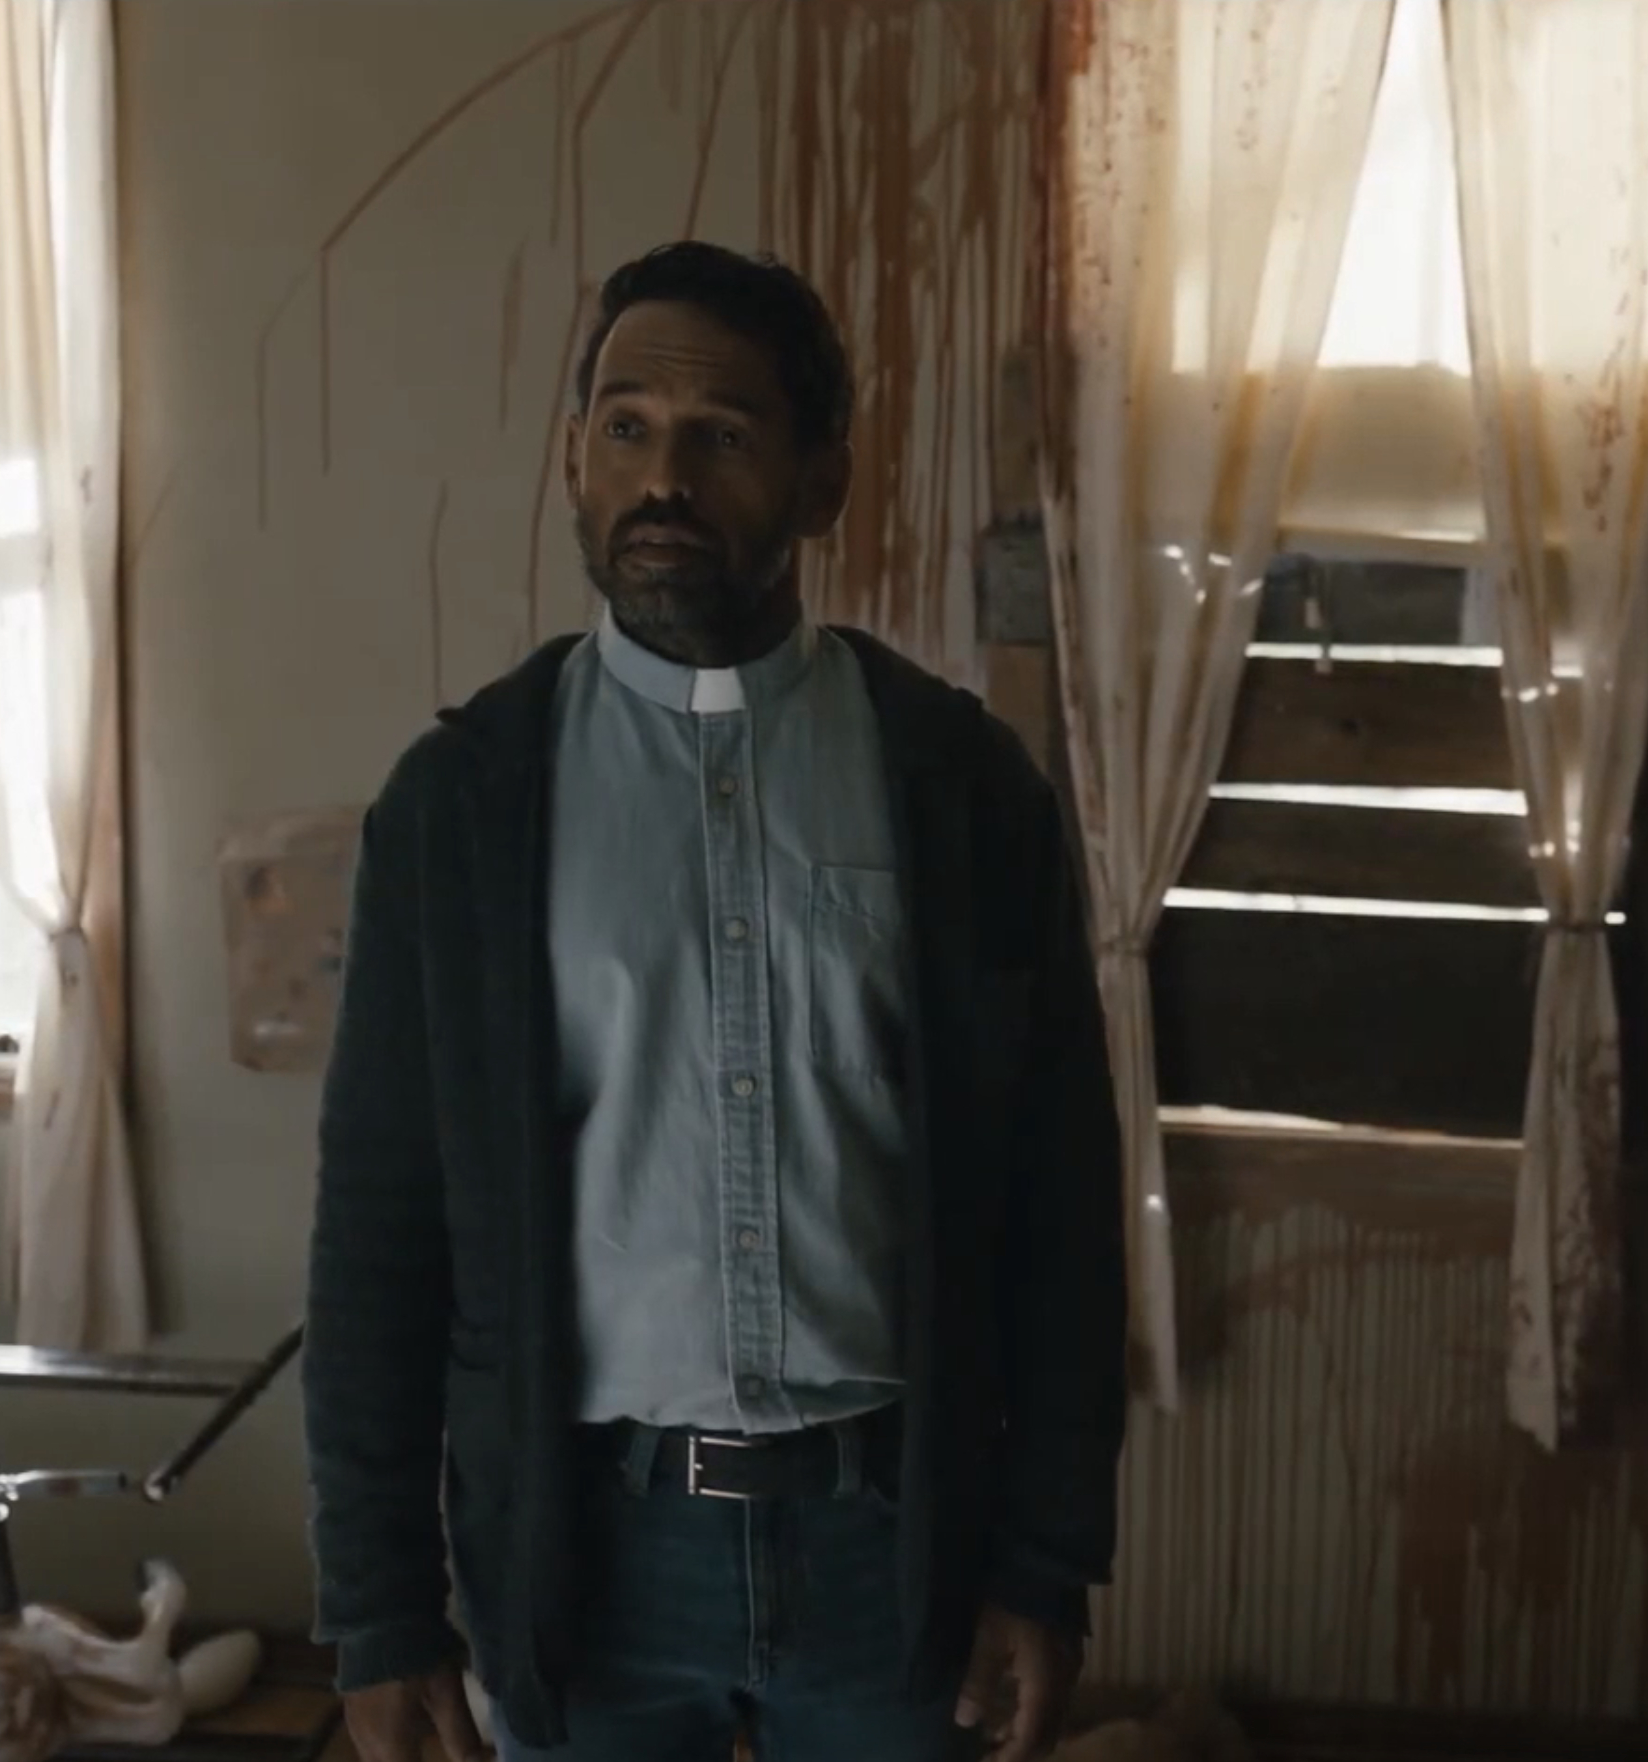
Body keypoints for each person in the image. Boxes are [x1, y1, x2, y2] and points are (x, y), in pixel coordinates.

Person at [301, 240, 1128, 1762]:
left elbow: (1061, 1207)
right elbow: (378, 1230)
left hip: (897, 1550)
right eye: (625, 427)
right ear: (571, 457)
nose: (662, 476)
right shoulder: (464, 807)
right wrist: (381, 1605)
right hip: (586, 1554)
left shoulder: (957, 790)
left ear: (824, 481)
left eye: (722, 433)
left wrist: (1045, 1557)